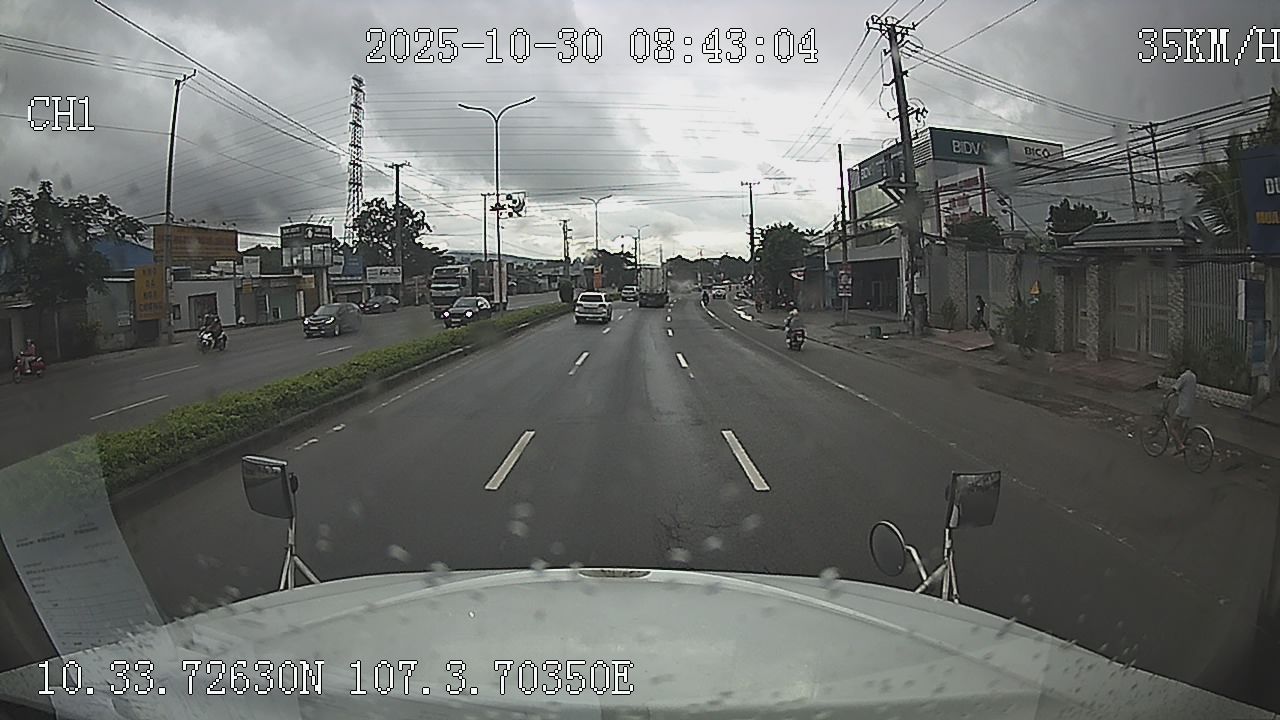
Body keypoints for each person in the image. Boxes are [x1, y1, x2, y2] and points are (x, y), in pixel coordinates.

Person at [1166, 365, 1198, 454]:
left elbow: (1174, 388)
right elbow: (1185, 389)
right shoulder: (1193, 376)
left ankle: (1180, 446)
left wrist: (1166, 395)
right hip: (1190, 407)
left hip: (1183, 408)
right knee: (1180, 427)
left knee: (1171, 427)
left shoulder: (1184, 377)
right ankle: (1183, 441)